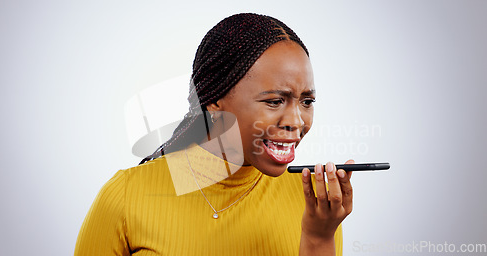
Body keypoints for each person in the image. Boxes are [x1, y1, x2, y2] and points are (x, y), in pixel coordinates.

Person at [75, 13, 353, 256]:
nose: (296, 121)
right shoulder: (126, 197)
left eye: (307, 101)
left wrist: (319, 238)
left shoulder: (317, 207)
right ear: (215, 100)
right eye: (274, 101)